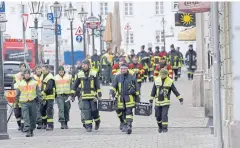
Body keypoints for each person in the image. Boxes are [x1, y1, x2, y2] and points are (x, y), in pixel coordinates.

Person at [109, 63, 140, 134]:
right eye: (122, 69)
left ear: (127, 69)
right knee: (120, 111)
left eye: (125, 68)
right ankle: (122, 122)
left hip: (129, 98)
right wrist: (111, 93)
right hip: (120, 98)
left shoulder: (132, 77)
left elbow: (137, 88)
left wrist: (137, 97)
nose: (123, 70)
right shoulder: (117, 77)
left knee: (128, 112)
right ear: (120, 69)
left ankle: (129, 126)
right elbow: (114, 87)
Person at [71, 60, 102, 132]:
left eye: (85, 64)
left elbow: (97, 84)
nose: (84, 66)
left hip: (93, 96)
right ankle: (89, 126)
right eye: (83, 65)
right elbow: (75, 85)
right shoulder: (79, 74)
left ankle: (97, 121)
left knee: (94, 111)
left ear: (89, 65)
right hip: (84, 96)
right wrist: (72, 94)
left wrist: (99, 94)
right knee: (86, 111)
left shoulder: (94, 73)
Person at [149, 68, 183, 133]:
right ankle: (160, 126)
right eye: (161, 74)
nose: (162, 76)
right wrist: (151, 100)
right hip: (157, 102)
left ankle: (165, 128)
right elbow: (153, 91)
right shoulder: (156, 80)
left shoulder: (170, 81)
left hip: (165, 102)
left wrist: (180, 99)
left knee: (164, 116)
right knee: (158, 116)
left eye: (163, 75)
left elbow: (175, 91)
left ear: (166, 75)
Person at [15, 69, 41, 137]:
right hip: (24, 103)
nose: (27, 75)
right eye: (25, 74)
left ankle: (31, 129)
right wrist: (17, 102)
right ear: (24, 75)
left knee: (33, 117)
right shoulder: (20, 83)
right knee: (26, 117)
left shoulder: (35, 83)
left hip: (33, 102)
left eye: (28, 73)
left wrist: (40, 100)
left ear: (30, 74)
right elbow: (17, 94)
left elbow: (38, 93)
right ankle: (28, 130)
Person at [40, 65, 56, 131]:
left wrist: (43, 92)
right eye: (42, 70)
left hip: (50, 96)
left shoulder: (50, 77)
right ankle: (44, 123)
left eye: (44, 70)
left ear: (47, 70)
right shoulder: (43, 76)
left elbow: (49, 87)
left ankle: (50, 125)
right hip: (44, 97)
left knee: (49, 111)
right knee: (42, 110)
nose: (42, 71)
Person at [12, 62, 26, 131]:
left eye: (23, 66)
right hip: (17, 96)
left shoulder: (28, 75)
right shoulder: (16, 75)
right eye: (21, 66)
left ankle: (23, 126)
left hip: (24, 96)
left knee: (23, 113)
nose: (22, 68)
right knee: (17, 113)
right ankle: (19, 125)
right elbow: (13, 86)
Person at [32, 65, 43, 129]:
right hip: (36, 95)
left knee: (44, 110)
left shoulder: (44, 76)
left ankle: (44, 122)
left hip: (44, 94)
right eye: (37, 69)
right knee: (37, 109)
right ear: (35, 70)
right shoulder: (33, 77)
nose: (38, 70)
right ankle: (39, 122)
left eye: (40, 69)